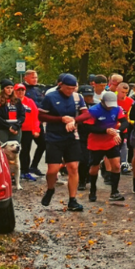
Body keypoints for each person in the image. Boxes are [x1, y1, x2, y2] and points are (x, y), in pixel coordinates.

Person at [37, 73, 87, 211]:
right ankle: (50, 189)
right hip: (54, 137)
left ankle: (72, 200)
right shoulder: (50, 97)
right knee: (52, 171)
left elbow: (86, 114)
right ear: (61, 85)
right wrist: (60, 119)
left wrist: (74, 121)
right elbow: (40, 115)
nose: (70, 91)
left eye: (73, 88)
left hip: (71, 137)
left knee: (73, 167)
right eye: (68, 88)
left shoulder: (78, 97)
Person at [76, 91, 126, 202]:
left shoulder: (117, 109)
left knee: (116, 165)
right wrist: (105, 130)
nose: (110, 108)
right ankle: (93, 189)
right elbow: (89, 128)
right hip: (96, 143)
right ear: (102, 102)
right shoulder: (94, 111)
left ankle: (114, 192)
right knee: (94, 167)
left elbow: (124, 122)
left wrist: (117, 131)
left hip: (111, 142)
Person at [13, 83, 40, 181]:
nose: (20, 92)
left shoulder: (30, 102)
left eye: (22, 90)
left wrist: (36, 129)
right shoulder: (12, 102)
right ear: (14, 91)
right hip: (16, 130)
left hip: (27, 130)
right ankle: (14, 172)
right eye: (18, 90)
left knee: (26, 151)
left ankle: (25, 171)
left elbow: (35, 116)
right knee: (13, 152)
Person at [23, 70, 48, 176]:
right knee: (26, 148)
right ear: (26, 78)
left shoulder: (38, 89)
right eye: (33, 77)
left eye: (36, 77)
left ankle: (34, 166)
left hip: (38, 122)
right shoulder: (22, 89)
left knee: (43, 144)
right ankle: (24, 170)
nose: (35, 79)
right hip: (26, 123)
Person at [0, 79, 21, 144]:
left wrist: (16, 126)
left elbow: (22, 115)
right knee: (3, 150)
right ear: (3, 89)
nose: (10, 90)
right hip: (3, 128)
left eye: (11, 88)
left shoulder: (17, 100)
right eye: (7, 88)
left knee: (15, 151)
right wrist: (9, 126)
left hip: (16, 128)